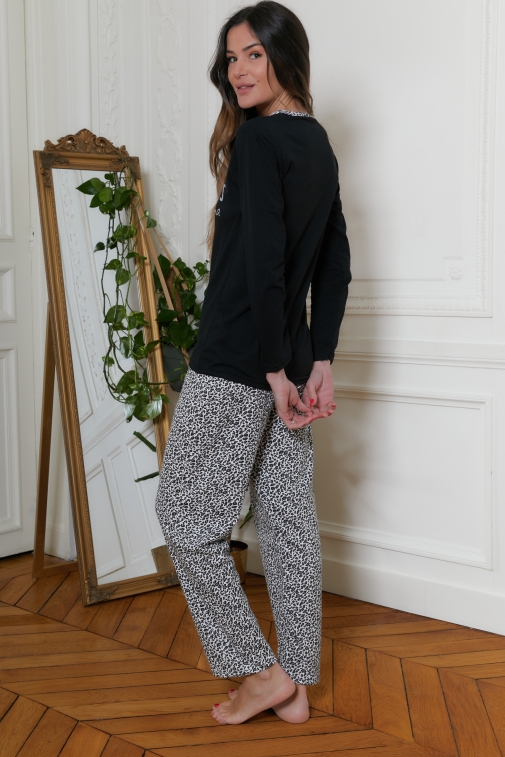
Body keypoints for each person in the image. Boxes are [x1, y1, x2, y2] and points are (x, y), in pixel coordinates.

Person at [155, 0, 351, 726]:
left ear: (283, 56)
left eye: (253, 55)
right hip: (287, 359)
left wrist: (270, 367)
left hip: (241, 358)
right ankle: (295, 683)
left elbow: (265, 263)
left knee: (184, 516)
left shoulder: (261, 142)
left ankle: (261, 673)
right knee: (287, 521)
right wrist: (316, 357)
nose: (238, 70)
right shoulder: (317, 142)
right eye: (231, 57)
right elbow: (334, 262)